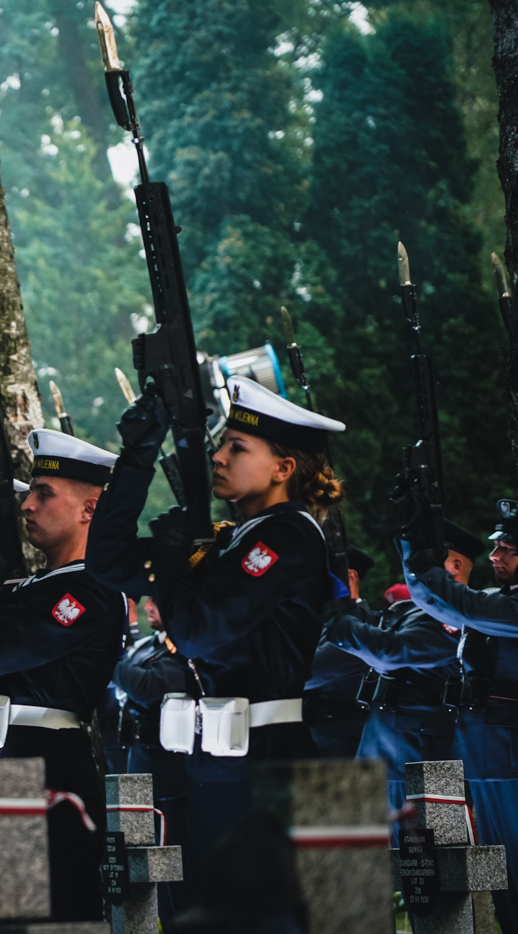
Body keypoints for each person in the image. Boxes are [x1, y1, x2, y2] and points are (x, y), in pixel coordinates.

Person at [86, 375, 347, 904]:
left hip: (270, 759)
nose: (220, 456)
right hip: (219, 756)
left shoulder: (290, 534)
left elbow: (199, 630)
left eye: (237, 446)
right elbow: (107, 561)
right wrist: (137, 454)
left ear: (283, 467)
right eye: (223, 443)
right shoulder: (235, 542)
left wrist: (172, 559)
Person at [0, 429, 124, 922]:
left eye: (45, 494)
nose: (27, 506)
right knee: (6, 916)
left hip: (45, 768)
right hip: (1, 764)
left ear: (90, 510)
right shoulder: (35, 586)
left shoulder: (89, 591)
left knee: (51, 916)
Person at [399, 498, 518, 930]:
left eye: (507, 547)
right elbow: (443, 607)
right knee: (502, 875)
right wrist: (413, 548)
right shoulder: (496, 600)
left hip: (508, 756)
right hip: (488, 753)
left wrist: (421, 555)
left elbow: (461, 608)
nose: (495, 555)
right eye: (496, 546)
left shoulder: (504, 607)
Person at [326, 521, 482, 815]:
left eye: (425, 557)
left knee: (431, 854)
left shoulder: (454, 616)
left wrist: (340, 618)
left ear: (456, 564)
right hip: (384, 742)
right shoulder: (411, 610)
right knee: (376, 852)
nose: (413, 564)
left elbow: (390, 653)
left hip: (425, 752)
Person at [115, 595, 192, 930]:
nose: (148, 605)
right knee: (137, 852)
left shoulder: (185, 648)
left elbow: (147, 686)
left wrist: (105, 654)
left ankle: (176, 924)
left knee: (167, 857)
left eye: (158, 599)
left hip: (165, 768)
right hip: (137, 758)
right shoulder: (151, 645)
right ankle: (144, 925)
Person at [302, 545, 377, 758]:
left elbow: (309, 672)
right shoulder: (328, 620)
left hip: (340, 739)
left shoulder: (361, 624)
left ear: (349, 576)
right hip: (325, 733)